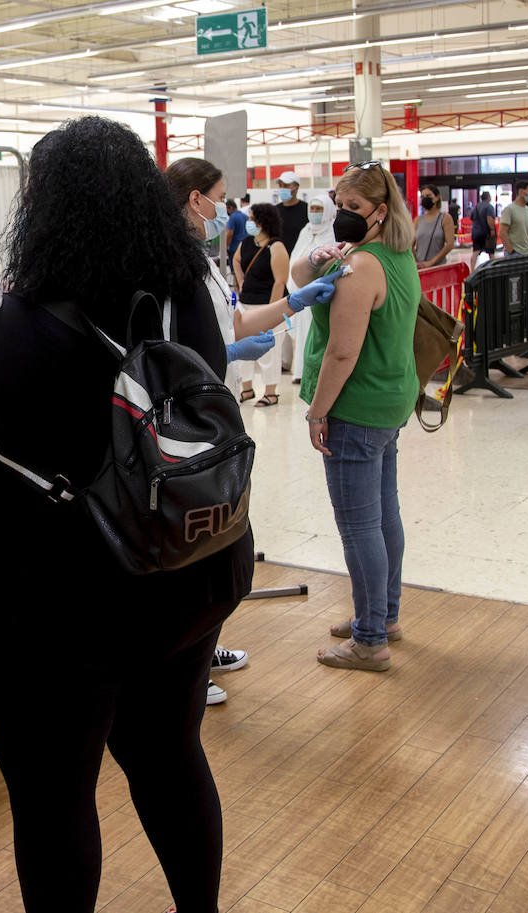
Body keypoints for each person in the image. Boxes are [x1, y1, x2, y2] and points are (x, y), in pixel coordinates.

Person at [0, 117, 255, 913]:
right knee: (169, 755)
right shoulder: (189, 301)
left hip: (53, 604)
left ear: (41, 211)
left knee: (54, 797)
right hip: (187, 572)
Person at [163, 157, 339, 706]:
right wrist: (228, 355)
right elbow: (168, 348)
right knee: (190, 546)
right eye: (219, 196)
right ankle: (183, 670)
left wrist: (293, 304)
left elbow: (234, 321)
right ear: (196, 199)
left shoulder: (203, 259)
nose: (226, 208)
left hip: (219, 416)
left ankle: (204, 646)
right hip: (187, 422)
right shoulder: (167, 264)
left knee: (216, 538)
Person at [289, 161, 419, 672]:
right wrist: (323, 256)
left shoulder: (362, 267)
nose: (343, 216)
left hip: (356, 408)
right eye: (339, 207)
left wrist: (317, 412)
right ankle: (382, 614)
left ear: (380, 211)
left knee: (359, 526)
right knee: (384, 514)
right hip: (389, 401)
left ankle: (369, 640)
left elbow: (343, 353)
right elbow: (299, 278)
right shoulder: (390, 254)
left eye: (354, 209)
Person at [232, 202, 290, 407]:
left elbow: (280, 281)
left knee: (269, 352)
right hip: (246, 305)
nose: (249, 222)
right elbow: (236, 261)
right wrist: (241, 282)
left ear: (263, 221)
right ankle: (246, 388)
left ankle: (271, 392)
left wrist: (271, 312)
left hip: (268, 307)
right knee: (244, 351)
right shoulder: (247, 242)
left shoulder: (276, 247)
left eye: (251, 218)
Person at [286, 193, 337, 385]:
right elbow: (295, 258)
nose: (315, 213)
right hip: (300, 290)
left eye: (319, 209)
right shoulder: (306, 230)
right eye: (313, 209)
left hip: (320, 293)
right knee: (302, 334)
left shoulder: (332, 232)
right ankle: (300, 371)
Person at [414, 185, 456, 268]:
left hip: (438, 267)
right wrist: (415, 261)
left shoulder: (445, 218)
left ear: (437, 197)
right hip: (419, 267)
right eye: (422, 197)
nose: (425, 199)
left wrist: (431, 262)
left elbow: (450, 244)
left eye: (428, 196)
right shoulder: (418, 220)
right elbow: (410, 244)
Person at [499, 180, 528, 256]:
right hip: (516, 253)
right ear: (521, 192)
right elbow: (502, 233)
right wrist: (511, 251)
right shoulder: (509, 209)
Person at [275, 170, 309, 252]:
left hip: (300, 256)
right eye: (280, 185)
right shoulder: (274, 211)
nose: (282, 188)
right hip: (279, 257)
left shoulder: (307, 209)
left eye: (286, 185)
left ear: (296, 187)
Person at [469, 190, 498, 270]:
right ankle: (493, 268)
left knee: (475, 251)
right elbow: (489, 218)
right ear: (488, 197)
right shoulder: (489, 207)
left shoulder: (476, 206)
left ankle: (472, 269)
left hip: (476, 232)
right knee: (491, 252)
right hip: (486, 233)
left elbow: (472, 218)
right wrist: (492, 230)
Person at [224, 197, 247, 276]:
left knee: (235, 272)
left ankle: (236, 287)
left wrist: (226, 246)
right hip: (244, 248)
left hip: (234, 248)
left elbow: (230, 234)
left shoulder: (233, 217)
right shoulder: (245, 216)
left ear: (230, 208)